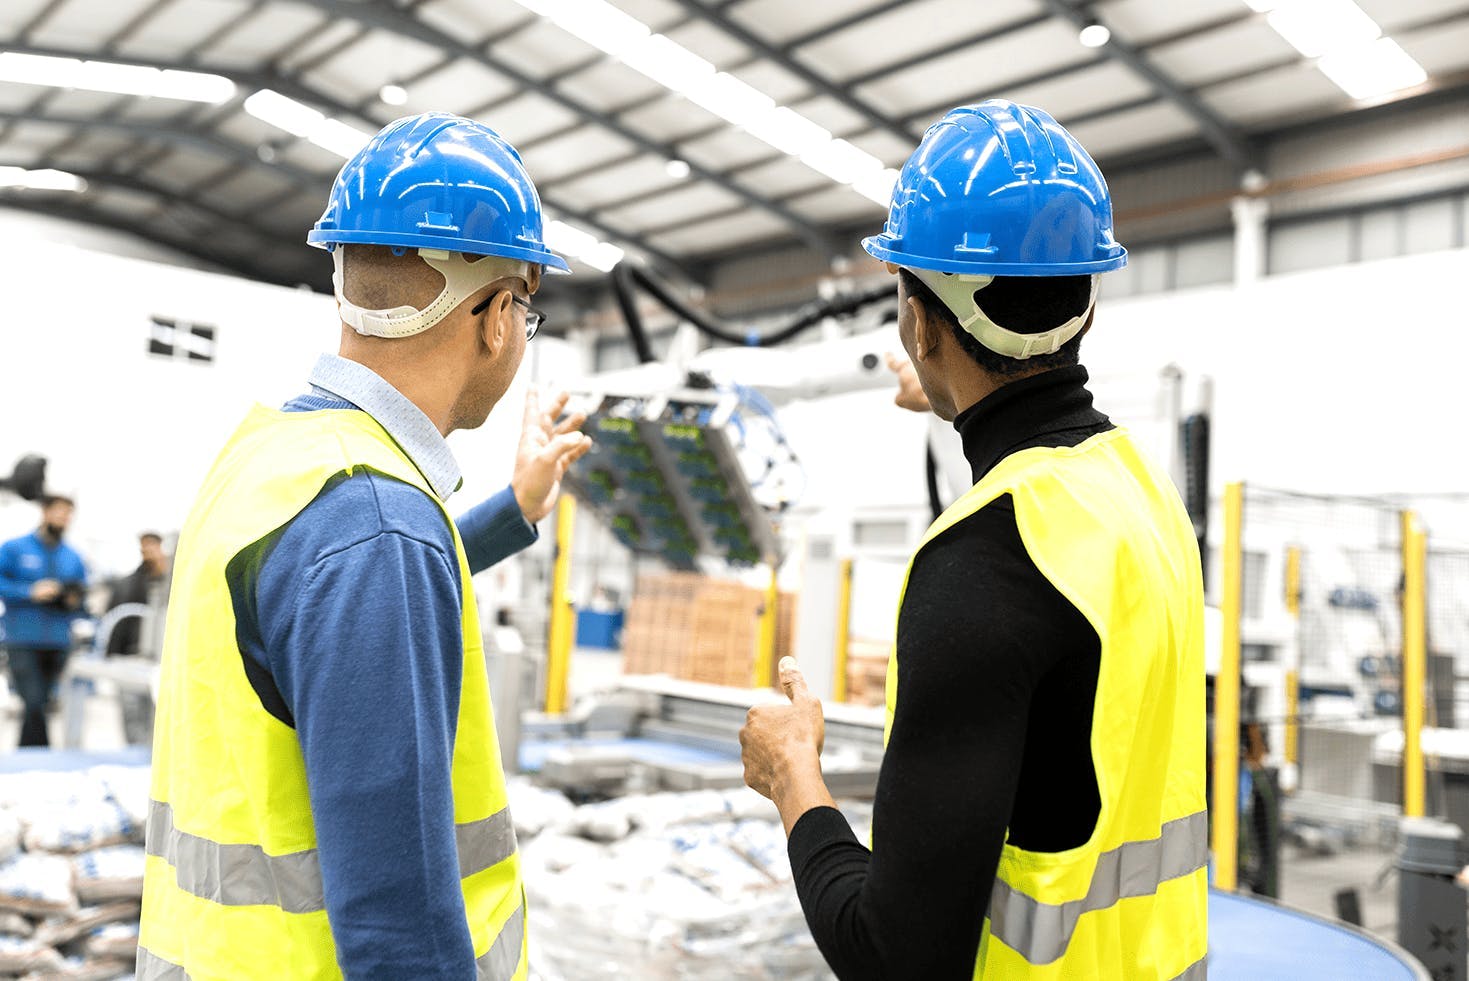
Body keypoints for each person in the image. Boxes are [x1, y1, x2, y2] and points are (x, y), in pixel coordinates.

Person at [740, 101, 1207, 979]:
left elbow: (893, 956)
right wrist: (959, 396)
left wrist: (792, 769)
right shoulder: (1143, 496)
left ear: (919, 324)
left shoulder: (982, 561)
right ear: (1085, 308)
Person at [138, 113, 590, 980]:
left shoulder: (274, 457)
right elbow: (397, 928)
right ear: (496, 317)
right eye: (525, 313)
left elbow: (329, 594)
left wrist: (512, 509)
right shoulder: (377, 525)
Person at [0, 494, 88, 748]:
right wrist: (30, 591)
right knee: (34, 700)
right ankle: (41, 754)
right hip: (22, 638)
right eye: (59, 512)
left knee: (43, 704)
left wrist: (72, 600)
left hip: (58, 640)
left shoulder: (73, 557)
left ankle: (30, 757)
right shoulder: (14, 548)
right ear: (45, 512)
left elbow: (82, 595)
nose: (64, 518)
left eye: (69, 514)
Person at [105, 532, 170, 656]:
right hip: (131, 650)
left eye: (153, 547)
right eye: (145, 548)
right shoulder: (126, 586)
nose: (149, 552)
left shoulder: (173, 584)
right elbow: (115, 625)